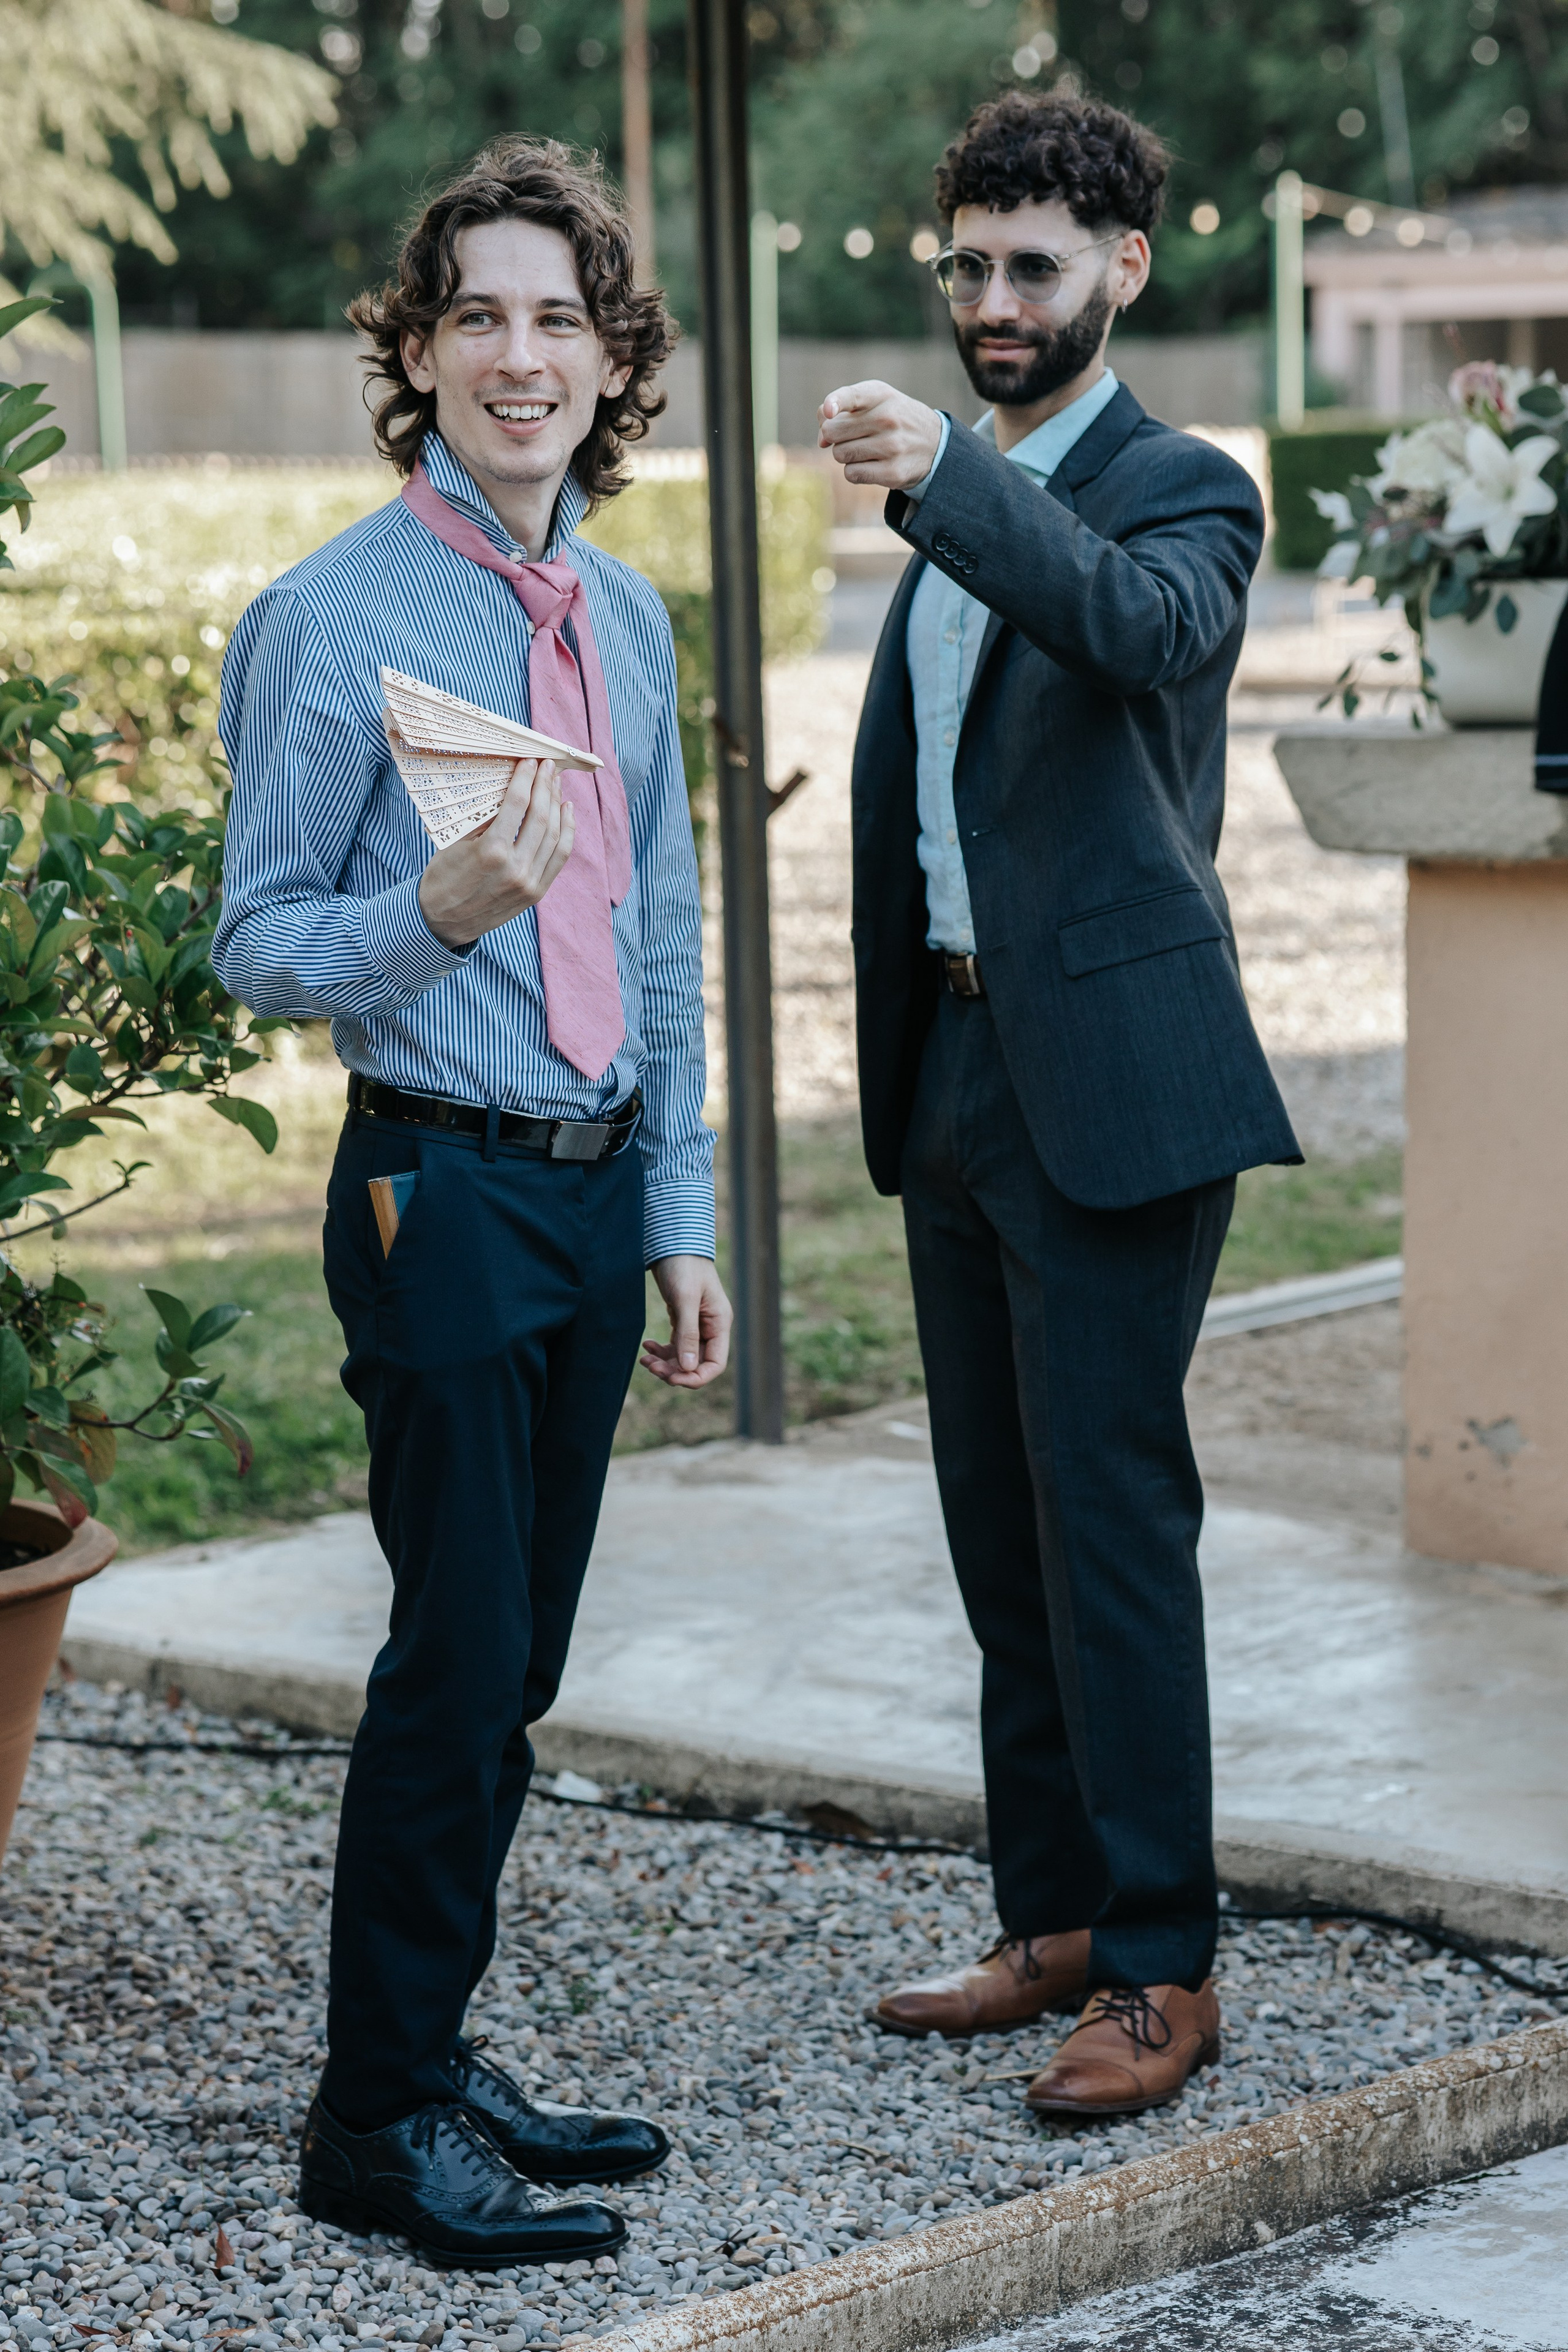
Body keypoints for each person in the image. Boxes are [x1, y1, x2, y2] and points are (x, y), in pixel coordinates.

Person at [214, 138, 731, 2263]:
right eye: (479, 317)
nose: (523, 357)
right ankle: (371, 2123)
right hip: (435, 1184)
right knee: (454, 1654)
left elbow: (663, 922)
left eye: (560, 319)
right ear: (417, 354)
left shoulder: (625, 612)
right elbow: (255, 937)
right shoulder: (332, 617)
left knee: (517, 1659)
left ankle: (426, 2052)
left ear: (611, 362)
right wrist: (429, 912)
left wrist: (679, 1205)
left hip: (595, 1196)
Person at [818, 91, 1300, 2118]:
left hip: (1109, 1081)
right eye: (969, 264)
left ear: (1128, 267)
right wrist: (958, 483)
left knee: (1107, 1524)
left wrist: (949, 478)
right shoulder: (967, 499)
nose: (993, 298)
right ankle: (1060, 1923)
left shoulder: (1184, 490)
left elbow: (1136, 631)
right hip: (950, 1064)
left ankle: (1167, 1964)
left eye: (1034, 265)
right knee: (998, 1528)